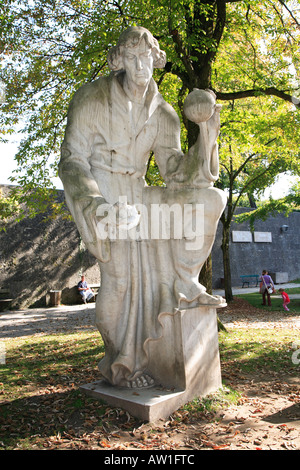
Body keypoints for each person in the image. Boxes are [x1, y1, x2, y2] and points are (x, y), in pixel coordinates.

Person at [59, 26, 226, 389]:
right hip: (104, 191)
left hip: (140, 193)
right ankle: (122, 363)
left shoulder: (163, 114)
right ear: (119, 60)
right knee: (117, 281)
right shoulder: (91, 98)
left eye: (145, 57)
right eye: (131, 58)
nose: (139, 66)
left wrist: (206, 130)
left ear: (155, 59)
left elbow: (178, 175)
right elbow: (72, 162)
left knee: (211, 199)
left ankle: (185, 279)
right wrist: (97, 207)